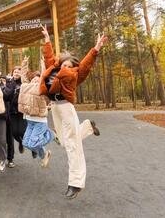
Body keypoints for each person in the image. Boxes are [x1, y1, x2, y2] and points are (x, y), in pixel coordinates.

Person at [40, 24, 106, 199]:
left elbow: (85, 64)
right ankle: (88, 127)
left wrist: (96, 48)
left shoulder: (76, 74)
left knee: (72, 145)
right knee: (63, 141)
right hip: (54, 108)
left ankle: (75, 183)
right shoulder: (54, 69)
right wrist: (47, 40)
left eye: (69, 65)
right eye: (63, 64)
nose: (65, 67)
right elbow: (49, 59)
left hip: (66, 108)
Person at [19, 57, 52, 168]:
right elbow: (23, 76)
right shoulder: (26, 87)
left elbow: (45, 76)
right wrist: (24, 63)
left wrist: (43, 64)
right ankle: (44, 155)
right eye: (33, 79)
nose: (35, 80)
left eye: (38, 79)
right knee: (26, 143)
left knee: (33, 143)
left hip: (40, 121)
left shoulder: (41, 88)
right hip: (29, 120)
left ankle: (51, 134)